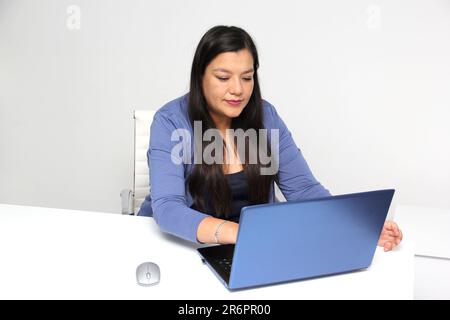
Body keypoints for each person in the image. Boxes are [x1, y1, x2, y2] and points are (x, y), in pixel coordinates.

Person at [138, 25, 403, 252]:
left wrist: (354, 226)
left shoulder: (265, 117)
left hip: (250, 249)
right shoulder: (171, 122)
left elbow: (303, 190)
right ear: (200, 76)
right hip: (179, 247)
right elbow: (169, 208)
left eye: (247, 77)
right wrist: (240, 234)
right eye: (223, 77)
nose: (238, 90)